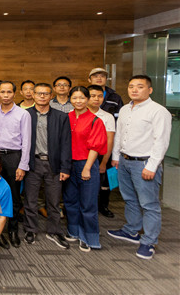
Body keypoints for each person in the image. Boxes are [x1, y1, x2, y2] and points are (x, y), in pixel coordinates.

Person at [108, 75, 172, 260]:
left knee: (149, 204)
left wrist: (152, 166)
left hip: (144, 163)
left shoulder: (158, 111)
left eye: (140, 86)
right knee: (129, 199)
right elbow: (119, 135)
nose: (134, 90)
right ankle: (132, 230)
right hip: (124, 161)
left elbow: (161, 141)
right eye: (131, 86)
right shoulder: (125, 109)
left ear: (149, 90)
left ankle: (149, 241)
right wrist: (116, 157)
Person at [22, 83, 72, 249]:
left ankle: (54, 231)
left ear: (51, 96)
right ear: (33, 95)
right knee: (30, 200)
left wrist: (65, 167)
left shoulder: (61, 116)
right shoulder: (26, 115)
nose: (42, 96)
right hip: (33, 163)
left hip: (54, 164)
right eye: (39, 93)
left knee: (54, 201)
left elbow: (66, 144)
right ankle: (30, 229)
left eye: (45, 94)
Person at [64, 86, 107, 252]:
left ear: (88, 99)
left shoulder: (95, 120)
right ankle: (73, 231)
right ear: (70, 99)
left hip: (86, 163)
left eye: (82, 98)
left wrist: (87, 168)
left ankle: (89, 237)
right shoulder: (66, 117)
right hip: (69, 164)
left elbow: (95, 147)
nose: (78, 101)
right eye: (74, 98)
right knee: (70, 200)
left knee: (88, 203)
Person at [0, 81, 31, 248]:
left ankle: (13, 230)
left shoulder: (23, 114)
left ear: (14, 94)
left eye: (9, 92)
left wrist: (23, 165)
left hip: (14, 156)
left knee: (14, 196)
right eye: (3, 92)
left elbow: (27, 141)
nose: (6, 95)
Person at [87, 85, 116, 218]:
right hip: (79, 155)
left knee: (98, 186)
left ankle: (100, 208)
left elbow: (109, 141)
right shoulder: (74, 113)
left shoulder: (107, 116)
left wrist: (104, 162)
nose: (96, 99)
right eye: (92, 96)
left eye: (100, 96)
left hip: (99, 156)